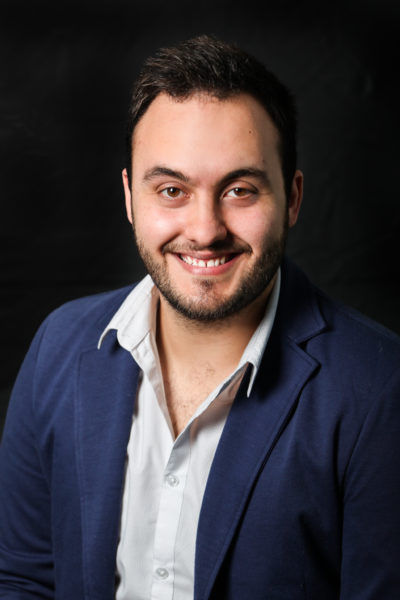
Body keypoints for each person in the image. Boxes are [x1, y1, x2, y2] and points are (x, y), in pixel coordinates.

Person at [0, 35, 399, 600]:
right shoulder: (58, 346)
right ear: (130, 197)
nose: (205, 230)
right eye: (171, 190)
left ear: (293, 197)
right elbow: (22, 580)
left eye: (239, 190)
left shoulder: (379, 387)